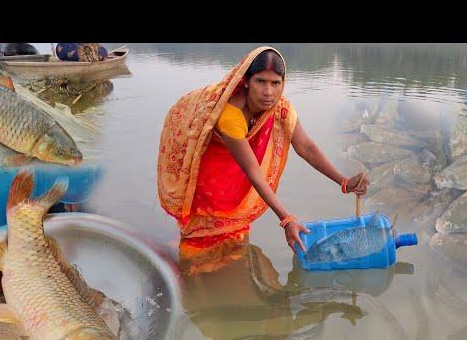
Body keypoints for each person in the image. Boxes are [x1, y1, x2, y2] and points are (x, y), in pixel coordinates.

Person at [158, 46, 369, 262]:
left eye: (275, 83)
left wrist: (343, 181)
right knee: (200, 242)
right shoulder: (230, 116)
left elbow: (304, 146)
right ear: (247, 81)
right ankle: (193, 274)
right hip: (211, 176)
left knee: (234, 238)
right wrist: (286, 219)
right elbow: (253, 172)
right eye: (261, 81)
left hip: (237, 176)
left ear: (282, 84)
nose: (268, 92)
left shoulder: (280, 108)